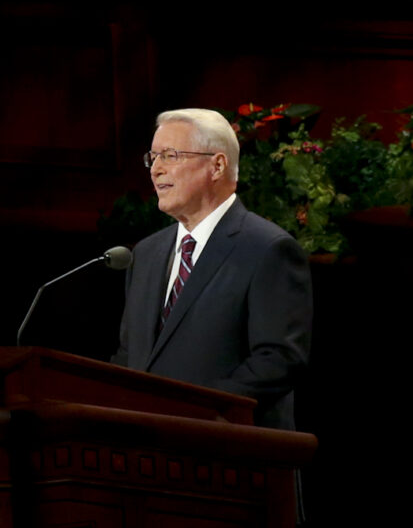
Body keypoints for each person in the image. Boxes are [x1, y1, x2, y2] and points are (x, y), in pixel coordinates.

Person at [111, 109, 312, 430]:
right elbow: (129, 356)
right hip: (145, 450)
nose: (157, 169)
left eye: (170, 155)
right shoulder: (146, 254)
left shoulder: (268, 249)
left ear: (217, 165)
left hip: (226, 449)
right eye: (153, 158)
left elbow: (277, 361)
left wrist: (193, 410)